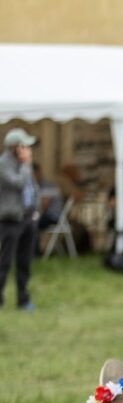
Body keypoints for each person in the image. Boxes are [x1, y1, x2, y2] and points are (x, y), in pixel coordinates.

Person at [0, 128, 39, 310]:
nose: (27, 149)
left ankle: (23, 300)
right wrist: (25, 165)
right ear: (14, 147)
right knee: (5, 262)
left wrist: (35, 210)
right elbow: (18, 183)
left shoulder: (24, 165)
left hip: (27, 218)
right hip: (10, 220)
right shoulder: (4, 164)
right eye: (24, 146)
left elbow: (32, 188)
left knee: (24, 262)